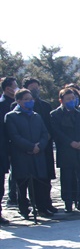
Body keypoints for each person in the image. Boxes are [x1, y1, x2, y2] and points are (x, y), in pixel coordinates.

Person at [4, 89, 49, 219]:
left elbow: (44, 134)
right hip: (21, 156)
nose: (30, 101)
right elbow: (14, 136)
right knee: (22, 184)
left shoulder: (36, 116)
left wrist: (39, 146)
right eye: (26, 99)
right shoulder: (11, 116)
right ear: (18, 101)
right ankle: (24, 209)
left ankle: (40, 208)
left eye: (31, 99)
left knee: (38, 184)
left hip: (37, 155)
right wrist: (30, 146)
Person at [50, 88, 80, 212]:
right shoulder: (55, 114)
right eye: (68, 99)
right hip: (66, 151)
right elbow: (57, 132)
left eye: (73, 98)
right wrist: (70, 142)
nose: (71, 101)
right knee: (67, 178)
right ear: (61, 100)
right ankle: (68, 203)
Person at [22, 77, 57, 214]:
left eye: (37, 87)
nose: (35, 90)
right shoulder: (19, 107)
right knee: (31, 179)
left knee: (45, 177)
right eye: (32, 87)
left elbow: (49, 128)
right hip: (29, 148)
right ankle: (33, 205)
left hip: (45, 146)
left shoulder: (45, 106)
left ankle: (46, 203)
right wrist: (33, 145)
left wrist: (44, 141)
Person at [1, 77, 18, 206]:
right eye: (15, 86)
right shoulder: (3, 105)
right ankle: (12, 196)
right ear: (8, 89)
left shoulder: (16, 102)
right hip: (6, 144)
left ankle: (15, 195)